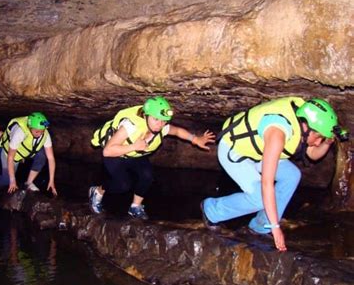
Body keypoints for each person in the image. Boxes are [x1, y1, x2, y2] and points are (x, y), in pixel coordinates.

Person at [201, 97, 343, 252]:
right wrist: (276, 228)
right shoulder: (277, 134)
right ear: (307, 126)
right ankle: (212, 210)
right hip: (235, 151)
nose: (318, 142)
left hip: (259, 153)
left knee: (292, 175)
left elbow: (313, 155)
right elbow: (266, 184)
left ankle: (260, 227)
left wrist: (327, 142)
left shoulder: (303, 123)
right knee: (259, 198)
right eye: (318, 137)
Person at [89, 96, 215, 220]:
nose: (160, 124)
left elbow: (176, 131)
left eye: (164, 121)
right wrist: (134, 146)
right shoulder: (130, 126)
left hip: (136, 153)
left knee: (147, 176)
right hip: (117, 154)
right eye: (156, 119)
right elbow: (107, 151)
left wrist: (195, 139)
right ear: (146, 115)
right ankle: (97, 192)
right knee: (122, 185)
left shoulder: (161, 125)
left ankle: (135, 207)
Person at [0, 112, 58, 196]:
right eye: (37, 131)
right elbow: (10, 157)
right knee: (5, 181)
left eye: (42, 131)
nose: (40, 134)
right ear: (29, 127)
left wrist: (51, 181)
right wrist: (12, 180)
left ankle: (29, 183)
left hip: (25, 152)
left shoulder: (44, 134)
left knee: (42, 155)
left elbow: (51, 158)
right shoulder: (19, 132)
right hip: (8, 154)